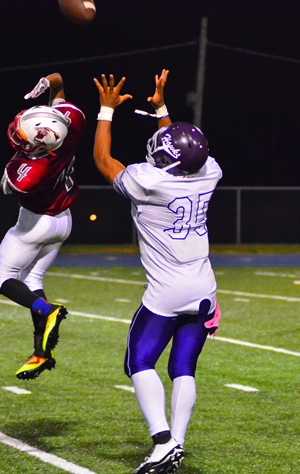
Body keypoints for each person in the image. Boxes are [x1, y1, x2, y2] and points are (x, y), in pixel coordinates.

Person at [93, 70, 222, 474]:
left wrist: (106, 110)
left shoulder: (148, 182)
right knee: (183, 367)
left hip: (166, 290)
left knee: (139, 361)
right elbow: (185, 150)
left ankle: (163, 441)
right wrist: (163, 111)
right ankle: (177, 443)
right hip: (204, 287)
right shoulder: (210, 171)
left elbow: (102, 160)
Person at [0, 72, 86, 380]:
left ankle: (49, 312)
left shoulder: (28, 171)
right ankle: (41, 353)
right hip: (63, 221)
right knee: (32, 280)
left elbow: (10, 185)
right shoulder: (72, 122)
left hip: (35, 224)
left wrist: (24, 147)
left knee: (1, 279)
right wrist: (51, 83)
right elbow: (59, 90)